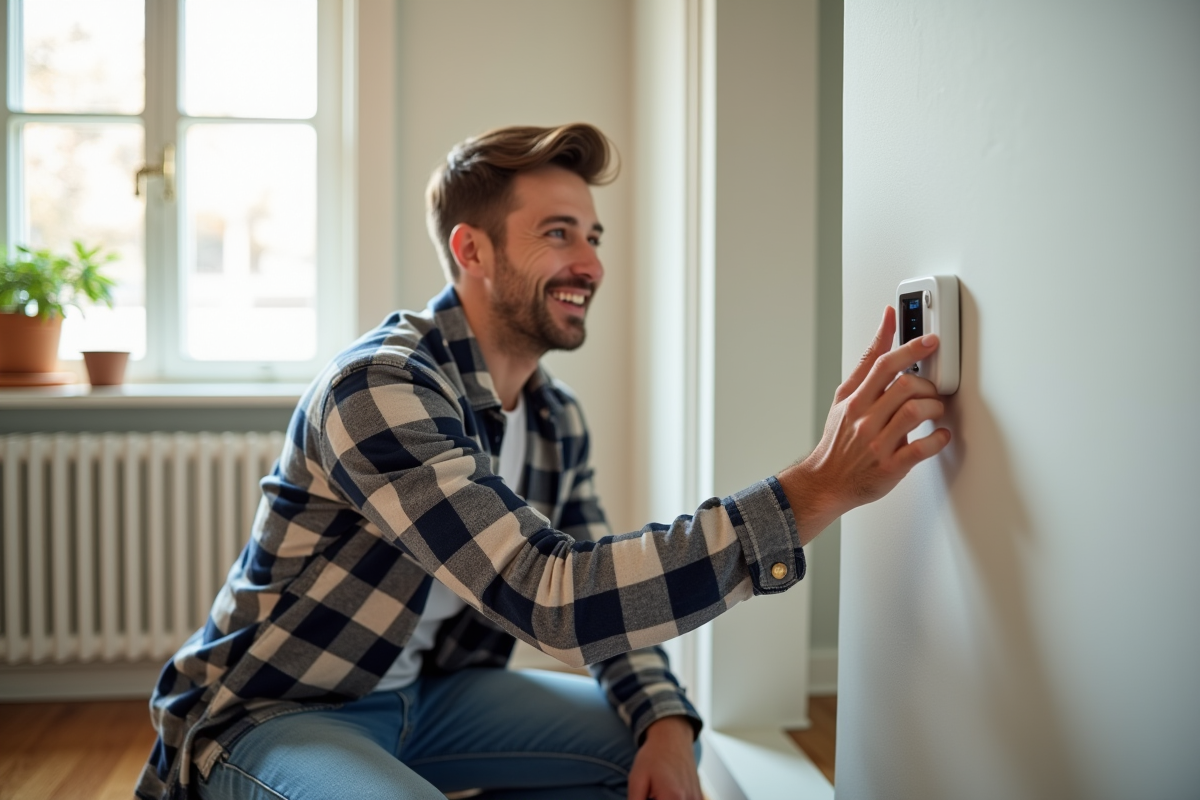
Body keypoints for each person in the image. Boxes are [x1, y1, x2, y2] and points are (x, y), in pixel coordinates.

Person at [136, 123, 949, 800]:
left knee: (650, 749)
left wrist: (665, 721)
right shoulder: (379, 387)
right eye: (557, 233)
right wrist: (811, 491)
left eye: (592, 236)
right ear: (473, 250)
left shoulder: (555, 419)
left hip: (429, 698)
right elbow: (549, 595)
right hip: (278, 710)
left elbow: (603, 602)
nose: (590, 264)